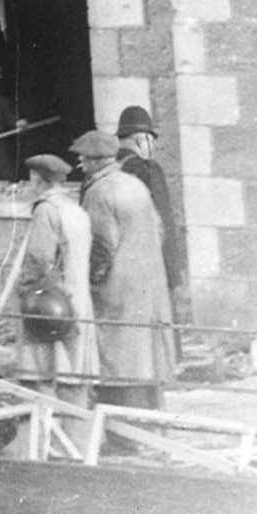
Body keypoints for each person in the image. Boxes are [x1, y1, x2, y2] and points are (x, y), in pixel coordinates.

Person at [73, 129, 173, 409]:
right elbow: (158, 228)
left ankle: (121, 433)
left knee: (117, 357)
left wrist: (91, 287)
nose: (80, 164)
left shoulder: (99, 191)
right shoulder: (134, 184)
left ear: (95, 161)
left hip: (118, 288)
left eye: (83, 158)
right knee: (145, 357)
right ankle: (150, 425)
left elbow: (102, 248)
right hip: (147, 282)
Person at [12, 153, 93, 409]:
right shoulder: (75, 209)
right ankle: (76, 438)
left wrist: (24, 292)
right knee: (73, 373)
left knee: (39, 374)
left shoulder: (46, 210)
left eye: (32, 177)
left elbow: (39, 259)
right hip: (77, 300)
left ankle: (44, 439)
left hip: (51, 305)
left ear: (37, 178)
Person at [115, 106, 190, 327]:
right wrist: (173, 275)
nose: (153, 146)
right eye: (151, 140)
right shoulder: (149, 170)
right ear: (142, 140)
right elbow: (164, 221)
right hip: (151, 266)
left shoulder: (106, 171)